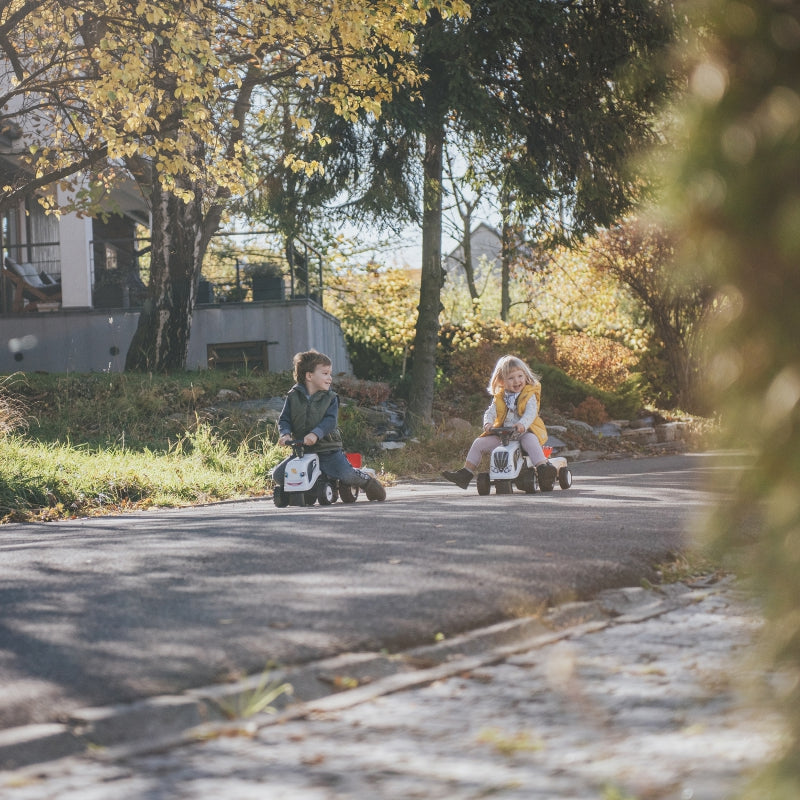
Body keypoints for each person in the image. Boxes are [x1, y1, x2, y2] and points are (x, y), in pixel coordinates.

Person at [273, 349, 386, 500]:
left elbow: (330, 421)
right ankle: (311, 489)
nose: (330, 378)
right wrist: (285, 434)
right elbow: (284, 419)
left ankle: (367, 481)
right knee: (279, 475)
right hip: (302, 451)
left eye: (330, 374)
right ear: (309, 376)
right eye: (325, 373)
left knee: (346, 475)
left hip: (328, 451)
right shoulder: (293, 396)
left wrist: (316, 434)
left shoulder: (330, 398)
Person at [442, 354, 558, 491]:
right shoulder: (500, 397)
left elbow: (531, 412)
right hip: (504, 435)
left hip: (524, 432)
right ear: (502, 381)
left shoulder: (529, 394)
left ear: (526, 376)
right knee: (479, 443)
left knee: (531, 441)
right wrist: (488, 424)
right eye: (511, 378)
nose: (516, 381)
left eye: (520, 376)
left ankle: (543, 469)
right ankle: (466, 473)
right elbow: (490, 412)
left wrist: (522, 424)